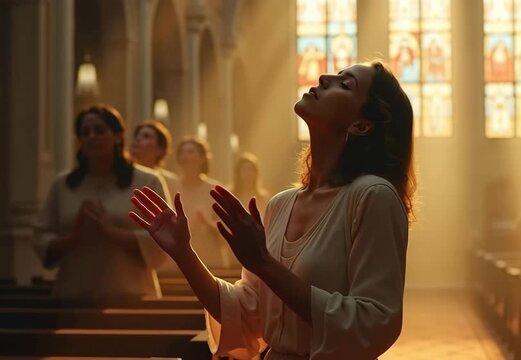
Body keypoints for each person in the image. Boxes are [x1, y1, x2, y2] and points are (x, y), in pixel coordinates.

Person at [129, 61, 415, 359]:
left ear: (361, 124)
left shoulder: (372, 196)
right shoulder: (281, 204)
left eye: (346, 84)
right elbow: (246, 312)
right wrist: (183, 253)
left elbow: (374, 323)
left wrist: (264, 263)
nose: (323, 77)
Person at [33, 105, 169, 299]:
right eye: (85, 132)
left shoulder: (147, 181)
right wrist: (73, 237)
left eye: (99, 130)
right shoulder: (63, 184)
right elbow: (40, 237)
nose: (92, 137)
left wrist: (114, 232)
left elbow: (164, 239)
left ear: (118, 136)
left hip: (132, 294)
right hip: (73, 294)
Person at [174, 137, 232, 269]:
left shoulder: (217, 189)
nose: (185, 156)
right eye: (182, 152)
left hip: (212, 262)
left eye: (190, 151)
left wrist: (207, 222)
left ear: (202, 158)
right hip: (180, 263)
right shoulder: (171, 187)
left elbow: (230, 231)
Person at [130, 120, 179, 195]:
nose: (138, 138)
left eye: (146, 136)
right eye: (136, 135)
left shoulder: (171, 182)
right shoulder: (124, 176)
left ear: (160, 148)